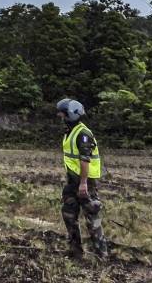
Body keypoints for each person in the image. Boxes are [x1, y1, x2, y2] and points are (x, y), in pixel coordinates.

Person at [57, 98, 108, 260]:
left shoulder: (83, 133)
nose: (60, 116)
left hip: (85, 182)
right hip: (72, 181)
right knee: (68, 213)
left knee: (92, 218)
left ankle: (101, 255)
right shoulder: (70, 131)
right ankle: (75, 251)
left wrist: (84, 184)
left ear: (71, 114)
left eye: (62, 114)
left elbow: (85, 159)